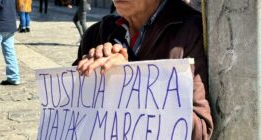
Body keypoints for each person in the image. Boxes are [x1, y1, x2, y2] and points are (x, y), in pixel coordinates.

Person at [73, 0, 213, 139]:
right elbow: (70, 116)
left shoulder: (190, 30)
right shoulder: (96, 34)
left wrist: (132, 79)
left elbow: (200, 131)